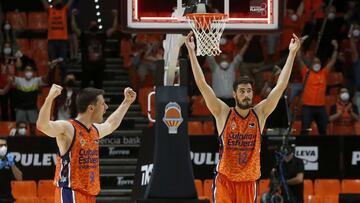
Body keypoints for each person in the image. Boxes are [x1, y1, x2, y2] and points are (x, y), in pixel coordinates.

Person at [184, 32, 301, 203]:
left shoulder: (260, 113)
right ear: (234, 94)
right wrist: (192, 52)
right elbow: (202, 84)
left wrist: (292, 53)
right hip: (225, 180)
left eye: (249, 91)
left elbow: (281, 86)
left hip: (248, 181)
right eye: (242, 91)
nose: (246, 95)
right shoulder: (223, 113)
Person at [36, 85, 136, 202]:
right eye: (103, 104)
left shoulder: (94, 130)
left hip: (89, 194)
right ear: (91, 108)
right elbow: (42, 126)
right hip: (70, 192)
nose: (106, 107)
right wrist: (50, 98)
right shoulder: (68, 128)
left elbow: (111, 124)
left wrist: (126, 102)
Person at [71, 8, 118, 89]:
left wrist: (116, 16)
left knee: (99, 90)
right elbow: (74, 28)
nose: (93, 25)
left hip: (99, 67)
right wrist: (72, 16)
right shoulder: (85, 35)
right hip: (87, 67)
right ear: (89, 26)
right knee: (84, 89)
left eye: (95, 24)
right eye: (92, 24)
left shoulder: (102, 35)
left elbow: (114, 29)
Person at [299, 40, 338, 135]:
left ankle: (324, 148)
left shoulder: (324, 73)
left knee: (323, 130)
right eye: (315, 62)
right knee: (305, 130)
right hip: (307, 107)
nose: (317, 64)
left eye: (318, 62)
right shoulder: (306, 72)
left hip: (320, 107)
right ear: (311, 64)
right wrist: (299, 46)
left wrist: (336, 48)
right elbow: (298, 59)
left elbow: (333, 61)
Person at [206, 35, 252, 107]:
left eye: (226, 57)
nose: (224, 59)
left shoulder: (232, 66)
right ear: (219, 59)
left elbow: (240, 55)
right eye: (222, 57)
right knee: (218, 118)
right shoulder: (215, 68)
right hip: (218, 100)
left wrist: (247, 43)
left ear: (229, 59)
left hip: (231, 101)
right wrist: (209, 43)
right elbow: (209, 56)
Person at [41, 0, 75, 83]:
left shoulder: (64, 10)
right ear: (54, 2)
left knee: (63, 64)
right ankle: (51, 82)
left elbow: (70, 2)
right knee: (53, 64)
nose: (59, 1)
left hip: (63, 40)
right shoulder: (50, 10)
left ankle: (63, 83)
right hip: (51, 41)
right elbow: (44, 3)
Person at [0, 137, 23, 203]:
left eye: (5, 145)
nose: (3, 147)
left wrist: (12, 164)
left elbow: (19, 178)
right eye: (1, 145)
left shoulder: (10, 158)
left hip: (7, 198)